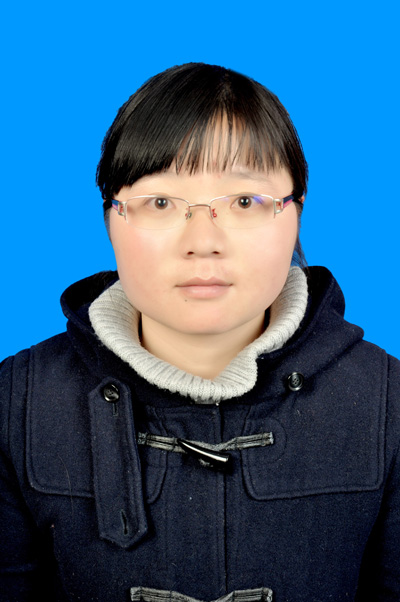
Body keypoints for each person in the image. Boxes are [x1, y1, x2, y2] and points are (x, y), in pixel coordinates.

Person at [0, 63, 399, 602]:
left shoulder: (389, 402)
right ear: (110, 219)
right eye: (161, 203)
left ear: (296, 214)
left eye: (244, 202)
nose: (203, 241)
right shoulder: (15, 402)